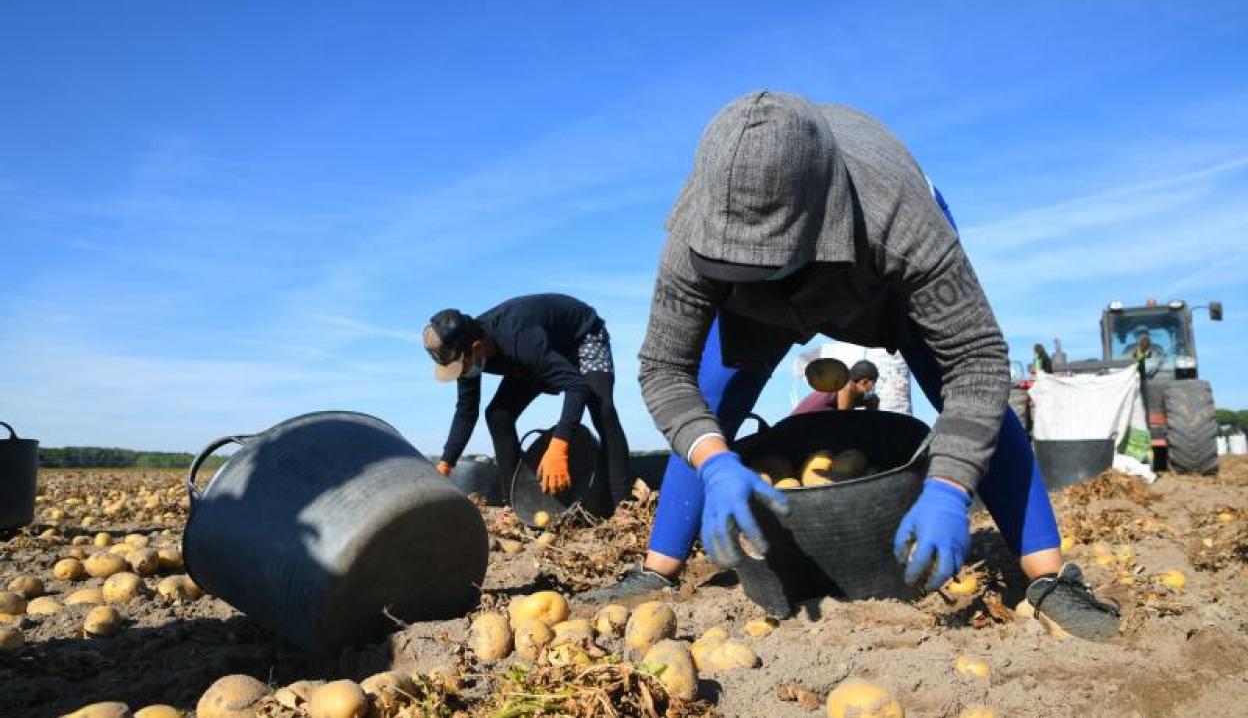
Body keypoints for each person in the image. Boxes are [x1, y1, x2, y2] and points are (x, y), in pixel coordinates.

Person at [581, 91, 1119, 641]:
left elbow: (976, 364)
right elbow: (664, 368)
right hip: (758, 305)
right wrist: (714, 460)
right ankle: (656, 569)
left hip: (877, 284)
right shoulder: (695, 230)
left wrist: (951, 485)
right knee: (711, 402)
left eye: (761, 257)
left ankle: (1050, 577)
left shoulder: (903, 223)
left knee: (966, 400)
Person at [423, 293, 631, 506]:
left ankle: (623, 504)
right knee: (498, 415)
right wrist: (446, 464)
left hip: (581, 337)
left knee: (603, 410)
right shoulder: (465, 355)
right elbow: (466, 411)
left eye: (462, 367)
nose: (462, 373)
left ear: (476, 348)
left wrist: (559, 445)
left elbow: (576, 386)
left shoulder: (517, 337)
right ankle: (515, 502)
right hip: (538, 357)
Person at [792, 359, 880, 415]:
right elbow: (843, 424)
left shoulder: (841, 388)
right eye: (873, 384)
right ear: (864, 382)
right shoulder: (847, 386)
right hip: (796, 431)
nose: (873, 388)